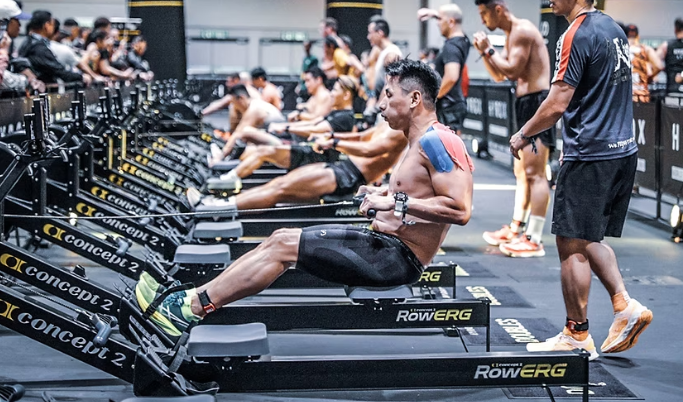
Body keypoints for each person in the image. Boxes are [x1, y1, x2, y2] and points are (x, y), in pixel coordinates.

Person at [138, 59, 473, 337]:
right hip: (383, 245)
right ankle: (190, 297)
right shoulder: (416, 141)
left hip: (396, 259)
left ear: (414, 99)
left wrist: (396, 202)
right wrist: (382, 193)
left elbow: (459, 210)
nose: (381, 104)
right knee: (280, 238)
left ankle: (190, 309)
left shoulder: (439, 141)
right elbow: (418, 192)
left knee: (284, 246)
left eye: (388, 95)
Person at [508, 0, 652, 360]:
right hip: (622, 151)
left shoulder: (574, 34)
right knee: (587, 237)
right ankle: (625, 306)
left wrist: (523, 133)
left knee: (570, 244)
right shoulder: (614, 28)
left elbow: (557, 102)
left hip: (590, 153)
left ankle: (576, 334)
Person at [472, 0, 553, 258]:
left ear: (498, 9)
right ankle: (517, 228)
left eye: (484, 13)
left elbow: (512, 69)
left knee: (535, 174)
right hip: (525, 103)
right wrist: (486, 54)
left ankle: (535, 238)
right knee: (522, 172)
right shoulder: (510, 35)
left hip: (537, 103)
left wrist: (488, 49)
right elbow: (500, 76)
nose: (482, 20)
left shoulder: (522, 30)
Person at [216, 75, 358, 181]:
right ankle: (229, 172)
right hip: (307, 150)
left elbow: (315, 130)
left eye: (335, 90)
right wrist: (287, 126)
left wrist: (286, 128)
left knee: (262, 151)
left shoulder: (345, 117)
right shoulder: (336, 113)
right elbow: (312, 123)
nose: (332, 93)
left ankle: (227, 181)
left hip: (316, 157)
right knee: (255, 149)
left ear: (346, 95)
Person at [417, 4, 471, 133]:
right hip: (453, 105)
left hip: (448, 107)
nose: (437, 23)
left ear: (451, 22)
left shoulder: (451, 47)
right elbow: (456, 18)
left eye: (440, 19)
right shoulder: (463, 40)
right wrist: (434, 14)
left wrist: (432, 97)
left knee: (446, 144)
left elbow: (451, 77)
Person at [213, 84, 286, 161]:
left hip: (281, 143)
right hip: (275, 139)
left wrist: (219, 157)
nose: (235, 107)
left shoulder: (254, 109)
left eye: (234, 103)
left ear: (241, 98)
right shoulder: (255, 104)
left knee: (246, 133)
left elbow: (237, 134)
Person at [20, 10, 89, 86]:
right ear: (46, 25)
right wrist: (81, 77)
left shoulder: (27, 42)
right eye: (52, 24)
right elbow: (58, 71)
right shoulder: (38, 47)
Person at [625, 24, 663, 104]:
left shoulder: (621, 49)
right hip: (641, 94)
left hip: (625, 94)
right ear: (638, 36)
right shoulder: (645, 49)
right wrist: (649, 78)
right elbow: (659, 66)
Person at [656, 17, 683, 97]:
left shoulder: (666, 45)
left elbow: (655, 64)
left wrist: (663, 70)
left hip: (673, 90)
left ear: (675, 29)